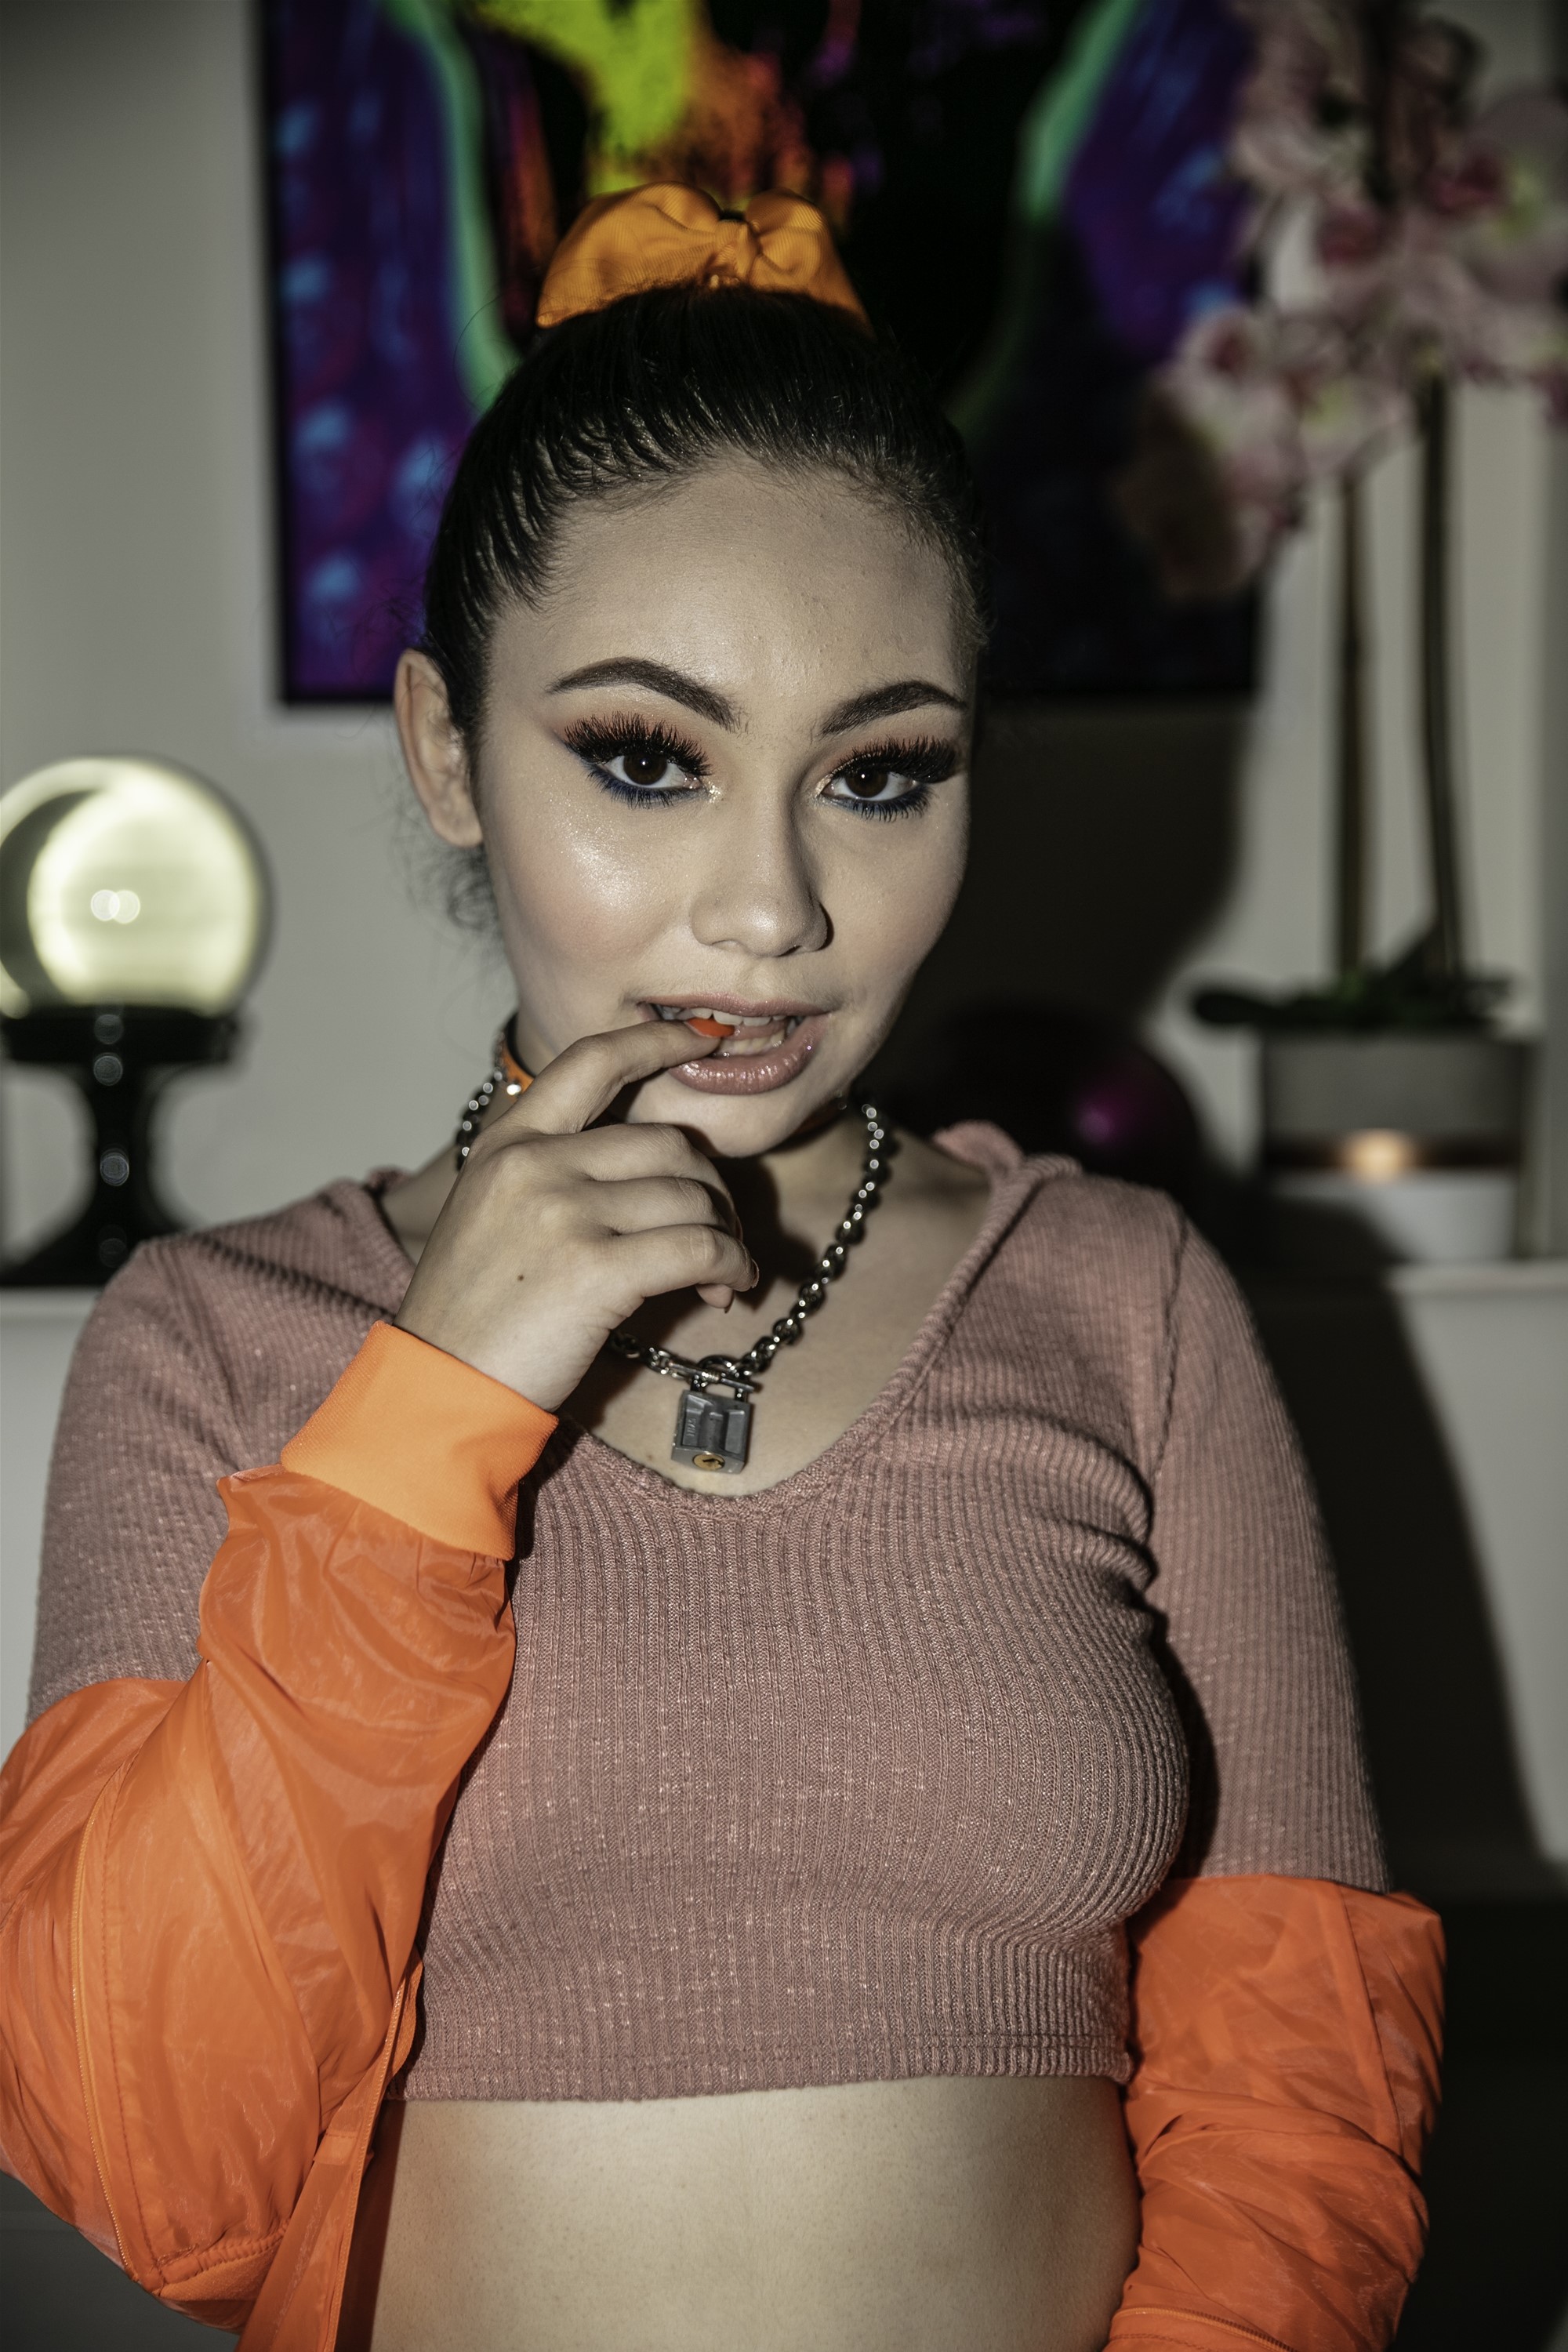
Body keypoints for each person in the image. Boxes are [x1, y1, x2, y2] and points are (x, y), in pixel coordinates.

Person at [0, 185, 1441, 2352]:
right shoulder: (212, 1344)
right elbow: (123, 2166)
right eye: (648, 759)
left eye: (880, 773)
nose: (772, 910)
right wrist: (427, 1420)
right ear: (444, 749)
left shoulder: (1126, 1303)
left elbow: (1303, 2091)